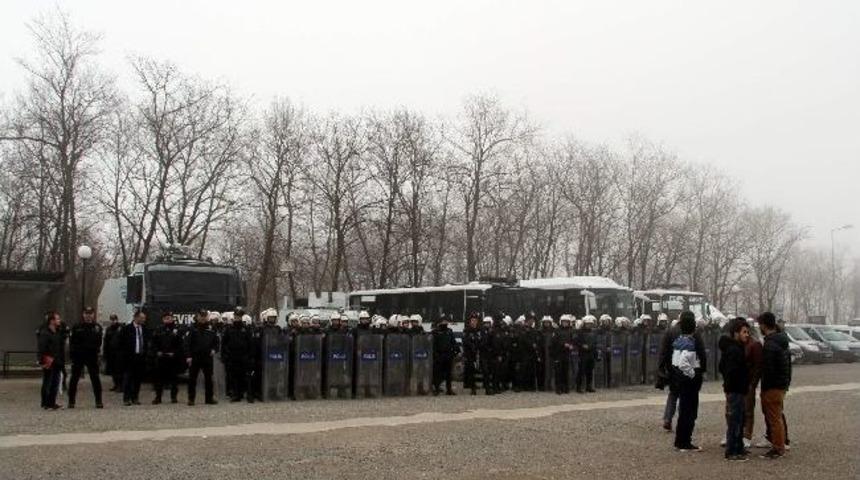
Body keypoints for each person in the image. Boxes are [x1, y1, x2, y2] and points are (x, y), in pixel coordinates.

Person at [670, 311, 707, 452]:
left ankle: (680, 440)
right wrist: (694, 374)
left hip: (680, 379)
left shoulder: (678, 341)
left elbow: (676, 362)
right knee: (690, 412)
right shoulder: (690, 343)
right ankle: (685, 441)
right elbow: (684, 362)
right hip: (689, 380)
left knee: (683, 411)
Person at [758, 312, 791, 459]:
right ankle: (780, 444)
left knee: (774, 418)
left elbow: (768, 369)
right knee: (777, 416)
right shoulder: (781, 341)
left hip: (772, 386)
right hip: (781, 384)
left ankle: (778, 448)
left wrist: (765, 387)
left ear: (764, 325)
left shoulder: (770, 344)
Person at [719, 318, 751, 461]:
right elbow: (728, 370)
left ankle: (738, 448)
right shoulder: (734, 350)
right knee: (735, 421)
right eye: (744, 332)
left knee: (740, 419)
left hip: (738, 389)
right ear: (736, 333)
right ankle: (732, 451)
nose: (747, 335)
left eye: (747, 332)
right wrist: (736, 382)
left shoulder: (737, 348)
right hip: (735, 389)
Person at [67, 306, 104, 409]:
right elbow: (72, 342)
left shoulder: (97, 327)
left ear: (93, 315)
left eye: (90, 313)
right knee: (74, 379)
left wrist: (96, 352)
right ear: (83, 315)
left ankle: (98, 401)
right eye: (86, 314)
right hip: (79, 356)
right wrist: (72, 355)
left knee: (95, 379)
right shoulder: (77, 327)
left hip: (92, 356)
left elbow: (99, 342)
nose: (88, 316)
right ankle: (71, 401)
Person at [185, 310, 220, 406]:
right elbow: (187, 343)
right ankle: (191, 399)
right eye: (201, 316)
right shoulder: (192, 328)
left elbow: (217, 342)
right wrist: (188, 356)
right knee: (192, 379)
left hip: (207, 357)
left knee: (209, 379)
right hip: (195, 357)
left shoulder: (212, 328)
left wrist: (214, 350)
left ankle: (209, 398)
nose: (203, 318)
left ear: (207, 317)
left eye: (205, 316)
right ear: (197, 317)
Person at [222, 308, 254, 403]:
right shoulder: (229, 329)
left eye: (239, 316)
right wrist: (225, 355)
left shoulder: (246, 329)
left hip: (244, 356)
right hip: (233, 356)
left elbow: (251, 343)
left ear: (241, 317)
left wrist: (250, 356)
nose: (237, 318)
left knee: (247, 376)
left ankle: (249, 395)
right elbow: (224, 343)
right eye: (236, 316)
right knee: (234, 376)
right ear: (234, 316)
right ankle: (236, 395)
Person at [151, 311, 183, 404]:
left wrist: (175, 353)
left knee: (174, 380)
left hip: (173, 358)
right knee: (159, 379)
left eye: (169, 318)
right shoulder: (158, 329)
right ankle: (158, 397)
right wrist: (157, 352)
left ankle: (174, 397)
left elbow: (181, 344)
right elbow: (154, 343)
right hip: (161, 358)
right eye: (165, 318)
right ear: (163, 319)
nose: (167, 320)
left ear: (172, 319)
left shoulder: (178, 329)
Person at [119, 310, 149, 406]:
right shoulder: (126, 329)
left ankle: (135, 397)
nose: (144, 320)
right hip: (129, 357)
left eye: (144, 318)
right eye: (142, 318)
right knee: (128, 378)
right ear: (136, 318)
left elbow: (146, 342)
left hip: (140, 357)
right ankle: (126, 398)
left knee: (138, 378)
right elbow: (120, 343)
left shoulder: (144, 329)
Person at [38, 311, 64, 410]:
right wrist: (42, 361)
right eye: (57, 319)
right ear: (52, 321)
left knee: (55, 382)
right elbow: (42, 348)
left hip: (57, 361)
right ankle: (45, 403)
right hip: (49, 361)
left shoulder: (57, 332)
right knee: (47, 382)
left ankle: (52, 402)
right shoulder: (45, 333)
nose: (59, 321)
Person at [659, 316, 681, 431]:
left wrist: (662, 368)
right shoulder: (692, 332)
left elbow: (663, 351)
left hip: (673, 367)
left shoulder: (669, 332)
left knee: (673, 394)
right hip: (688, 367)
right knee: (685, 395)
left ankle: (667, 419)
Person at [431, 317, 458, 395]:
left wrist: (456, 350)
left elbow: (453, 341)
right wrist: (435, 354)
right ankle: (436, 389)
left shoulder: (449, 331)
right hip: (439, 355)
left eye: (446, 322)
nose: (445, 323)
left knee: (449, 374)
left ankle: (449, 389)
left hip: (448, 354)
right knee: (438, 373)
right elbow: (433, 344)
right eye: (443, 322)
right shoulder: (435, 332)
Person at [552, 315, 575, 394]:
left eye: (567, 322)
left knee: (566, 371)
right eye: (564, 322)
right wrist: (563, 344)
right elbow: (554, 342)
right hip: (558, 353)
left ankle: (566, 387)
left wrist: (571, 345)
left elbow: (573, 340)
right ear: (561, 322)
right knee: (558, 372)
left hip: (567, 353)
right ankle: (558, 388)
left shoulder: (570, 331)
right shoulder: (557, 331)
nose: (565, 323)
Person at [575, 315, 598, 393]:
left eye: (590, 324)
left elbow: (595, 342)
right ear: (584, 324)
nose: (589, 325)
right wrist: (582, 345)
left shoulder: (593, 332)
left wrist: (594, 351)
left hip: (591, 353)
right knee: (581, 371)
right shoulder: (580, 332)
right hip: (583, 354)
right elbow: (576, 342)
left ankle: (589, 386)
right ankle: (579, 387)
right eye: (587, 323)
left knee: (590, 371)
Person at [462, 313, 482, 395]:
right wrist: (472, 346)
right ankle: (472, 388)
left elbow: (480, 341)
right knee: (471, 370)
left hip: (476, 354)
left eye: (475, 320)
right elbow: (465, 341)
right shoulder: (467, 330)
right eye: (472, 320)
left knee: (474, 370)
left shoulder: (478, 331)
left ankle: (472, 385)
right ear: (470, 321)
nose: (474, 322)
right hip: (469, 354)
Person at [103, 314, 124, 392]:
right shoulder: (109, 329)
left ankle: (120, 386)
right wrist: (105, 352)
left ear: (117, 319)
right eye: (111, 319)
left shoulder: (121, 328)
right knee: (112, 370)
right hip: (110, 352)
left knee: (119, 370)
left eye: (114, 319)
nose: (113, 321)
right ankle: (115, 384)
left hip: (119, 352)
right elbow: (106, 341)